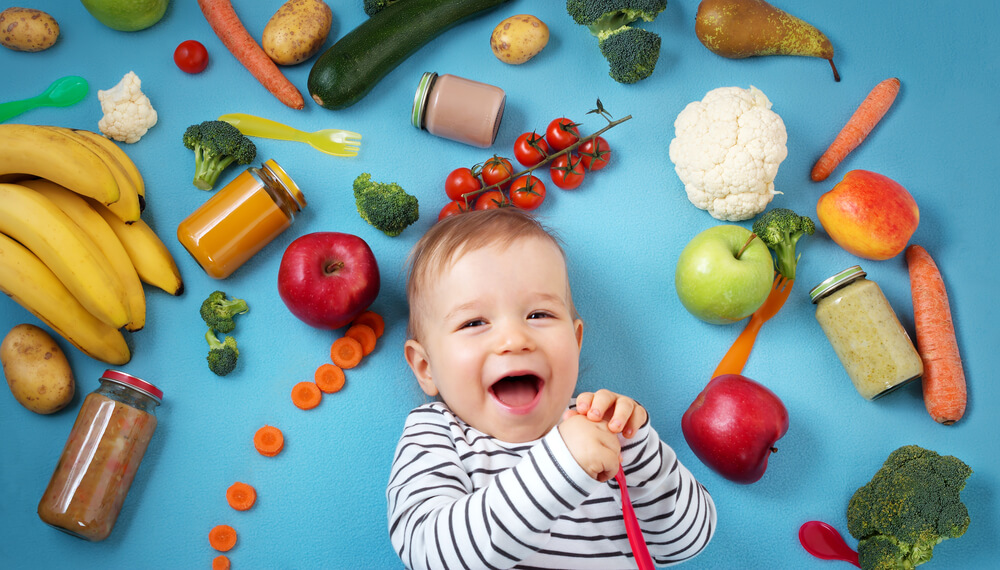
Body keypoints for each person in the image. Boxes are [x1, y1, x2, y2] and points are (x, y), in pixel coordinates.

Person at [387, 208, 716, 569]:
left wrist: (636, 447)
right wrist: (562, 465)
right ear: (425, 366)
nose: (514, 339)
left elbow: (686, 542)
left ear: (575, 342)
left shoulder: (600, 425)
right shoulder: (436, 433)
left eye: (539, 315)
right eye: (474, 322)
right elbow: (430, 555)